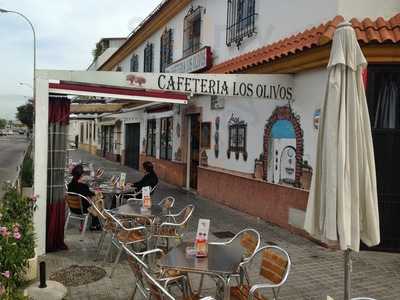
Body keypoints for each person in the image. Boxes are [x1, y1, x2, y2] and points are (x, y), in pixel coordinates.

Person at [67, 164, 100, 230]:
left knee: (94, 201)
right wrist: (96, 191)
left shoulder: (70, 185)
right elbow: (91, 194)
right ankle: (95, 224)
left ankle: (95, 223)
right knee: (97, 200)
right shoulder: (83, 186)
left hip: (72, 208)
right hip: (82, 209)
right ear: (81, 175)